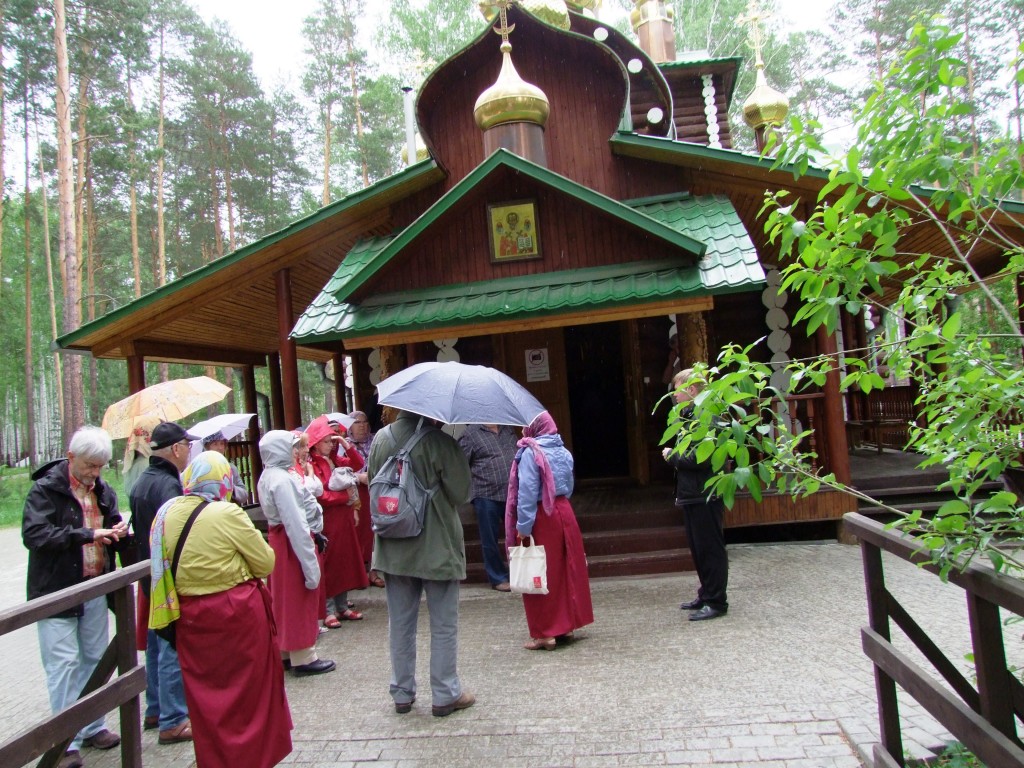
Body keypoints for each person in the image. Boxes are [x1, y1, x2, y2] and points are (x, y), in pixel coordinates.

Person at [149, 451, 292, 768]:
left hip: (190, 617)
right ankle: (252, 757)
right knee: (248, 693)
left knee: (207, 697)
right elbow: (266, 561)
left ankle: (216, 760)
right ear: (224, 479)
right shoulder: (226, 513)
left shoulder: (166, 514)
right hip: (236, 613)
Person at [23, 425, 127, 768]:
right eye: (88, 466)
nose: (94, 473)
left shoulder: (102, 489)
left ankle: (92, 726)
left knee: (95, 658)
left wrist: (117, 527)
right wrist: (87, 534)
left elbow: (109, 519)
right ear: (71, 458)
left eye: (99, 467)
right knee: (63, 664)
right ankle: (62, 741)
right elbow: (36, 534)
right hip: (56, 590)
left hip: (94, 585)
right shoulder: (45, 490)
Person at [367, 409, 475, 717]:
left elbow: (375, 484)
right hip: (436, 546)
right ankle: (445, 693)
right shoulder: (441, 443)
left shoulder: (380, 440)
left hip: (392, 545)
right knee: (443, 624)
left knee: (400, 624)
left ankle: (402, 692)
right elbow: (462, 492)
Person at [128, 420, 195, 744]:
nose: (190, 452)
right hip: (166, 577)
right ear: (177, 449)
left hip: (149, 577)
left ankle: (155, 709)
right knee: (169, 644)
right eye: (188, 446)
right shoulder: (168, 486)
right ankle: (173, 718)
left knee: (156, 643)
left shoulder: (143, 481)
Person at [505, 412, 594, 651]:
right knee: (565, 571)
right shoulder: (563, 451)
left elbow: (526, 494)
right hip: (564, 511)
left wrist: (523, 528)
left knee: (539, 572)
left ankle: (545, 634)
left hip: (541, 515)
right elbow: (569, 485)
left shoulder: (529, 453)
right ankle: (566, 626)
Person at [258, 430, 335, 675]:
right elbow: (296, 523)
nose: (296, 451)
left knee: (282, 598)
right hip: (291, 544)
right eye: (291, 447)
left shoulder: (269, 476)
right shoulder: (282, 480)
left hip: (280, 543)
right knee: (298, 597)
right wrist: (310, 563)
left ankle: (285, 651)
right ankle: (304, 656)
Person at [663, 368, 728, 621]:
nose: (675, 396)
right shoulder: (691, 416)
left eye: (678, 390)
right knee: (698, 548)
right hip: (693, 492)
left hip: (706, 492)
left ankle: (717, 601)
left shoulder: (707, 416)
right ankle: (706, 593)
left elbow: (703, 458)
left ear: (691, 390)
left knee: (710, 548)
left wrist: (672, 456)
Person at [306, 415, 368, 626]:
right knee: (330, 563)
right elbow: (320, 495)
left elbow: (357, 463)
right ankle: (328, 609)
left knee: (344, 560)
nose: (330, 443)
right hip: (328, 518)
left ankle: (342, 607)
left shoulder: (333, 458)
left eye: (331, 440)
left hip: (343, 517)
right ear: (315, 443)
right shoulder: (312, 464)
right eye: (326, 440)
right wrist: (346, 497)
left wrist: (344, 444)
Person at [458, 423, 519, 591]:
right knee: (489, 539)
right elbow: (460, 463)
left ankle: (520, 573)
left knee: (517, 535)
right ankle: (498, 577)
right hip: (486, 494)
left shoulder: (508, 430)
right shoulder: (470, 434)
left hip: (512, 492)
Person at [348, 410, 384, 588]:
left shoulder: (377, 439)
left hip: (377, 489)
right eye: (357, 423)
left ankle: (374, 571)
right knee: (359, 533)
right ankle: (359, 572)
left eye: (364, 422)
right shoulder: (344, 445)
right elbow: (339, 470)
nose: (362, 426)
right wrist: (358, 477)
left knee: (376, 530)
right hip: (355, 493)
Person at [200, 430, 249, 503]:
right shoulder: (200, 469)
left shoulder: (231, 468)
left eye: (222, 443)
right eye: (215, 444)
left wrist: (230, 487)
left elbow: (244, 496)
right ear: (207, 447)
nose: (219, 448)